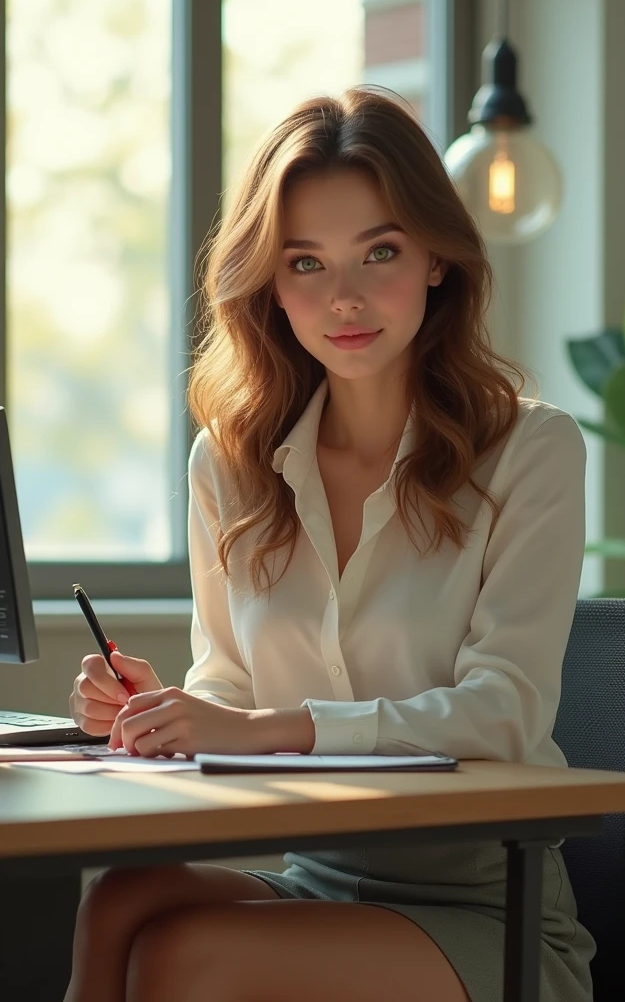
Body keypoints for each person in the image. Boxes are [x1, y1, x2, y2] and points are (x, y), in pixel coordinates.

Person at [65, 85, 596, 1002]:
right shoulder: (230, 465)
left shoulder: (531, 451)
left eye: (379, 252)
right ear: (270, 281)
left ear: (437, 258)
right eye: (305, 263)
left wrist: (266, 727)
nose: (343, 298)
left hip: (483, 910)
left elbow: (504, 710)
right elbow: (229, 685)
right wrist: (163, 716)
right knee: (119, 901)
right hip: (322, 877)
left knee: (186, 959)